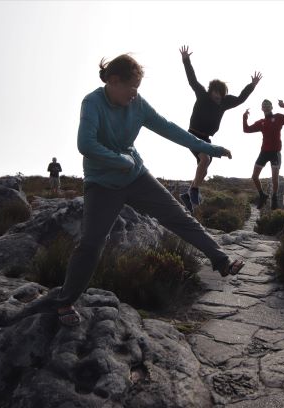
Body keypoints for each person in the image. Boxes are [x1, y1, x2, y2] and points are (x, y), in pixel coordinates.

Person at [56, 54, 245, 326]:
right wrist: (119, 159)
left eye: (138, 89)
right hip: (102, 184)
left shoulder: (138, 105)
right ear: (113, 81)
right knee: (91, 244)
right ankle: (65, 302)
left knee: (179, 217)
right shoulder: (93, 102)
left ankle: (221, 259)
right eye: (132, 87)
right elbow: (85, 144)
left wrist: (208, 148)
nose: (135, 95)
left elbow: (169, 129)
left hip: (136, 176)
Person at [179, 45, 262, 212]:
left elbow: (240, 99)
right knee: (205, 159)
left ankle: (188, 194)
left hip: (207, 138)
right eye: (215, 93)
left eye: (220, 94)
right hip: (193, 134)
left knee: (204, 167)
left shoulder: (224, 103)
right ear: (211, 91)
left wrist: (252, 86)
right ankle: (194, 190)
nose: (217, 96)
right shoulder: (202, 95)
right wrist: (186, 60)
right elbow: (193, 81)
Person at [243, 99, 284, 210]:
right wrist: (244, 117)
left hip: (275, 153)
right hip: (264, 152)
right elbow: (246, 129)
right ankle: (262, 195)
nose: (266, 107)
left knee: (274, 178)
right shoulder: (261, 122)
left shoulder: (278, 117)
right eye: (264, 105)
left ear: (271, 107)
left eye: (268, 105)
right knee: (254, 176)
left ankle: (274, 197)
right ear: (262, 108)